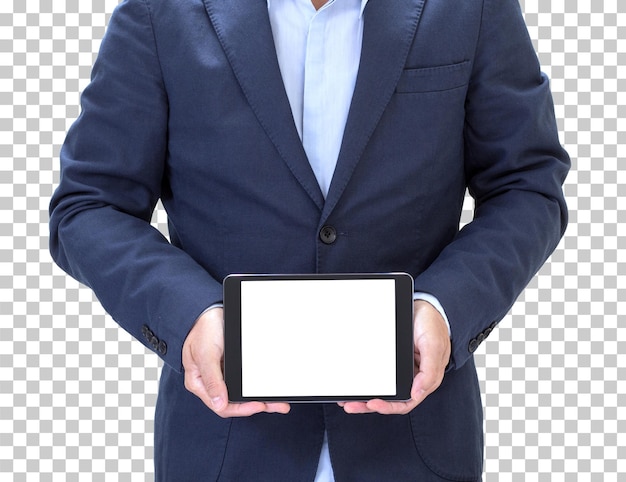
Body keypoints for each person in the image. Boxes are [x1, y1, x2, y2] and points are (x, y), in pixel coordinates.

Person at [49, 0, 569, 480]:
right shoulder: (159, 11)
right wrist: (190, 315)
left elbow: (526, 186)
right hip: (224, 448)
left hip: (416, 447)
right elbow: (90, 205)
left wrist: (444, 305)